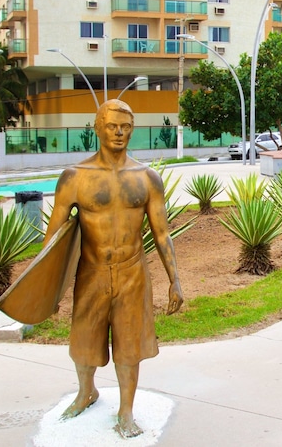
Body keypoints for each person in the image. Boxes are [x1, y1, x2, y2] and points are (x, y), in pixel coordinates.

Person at [42, 99, 183, 438]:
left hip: (133, 271)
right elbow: (52, 238)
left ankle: (126, 410)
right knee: (84, 341)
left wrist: (175, 280)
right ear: (98, 128)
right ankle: (86, 391)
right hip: (91, 270)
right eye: (112, 125)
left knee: (129, 343)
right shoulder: (75, 177)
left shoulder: (147, 178)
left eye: (125, 126)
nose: (119, 132)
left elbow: (162, 233)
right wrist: (46, 290)